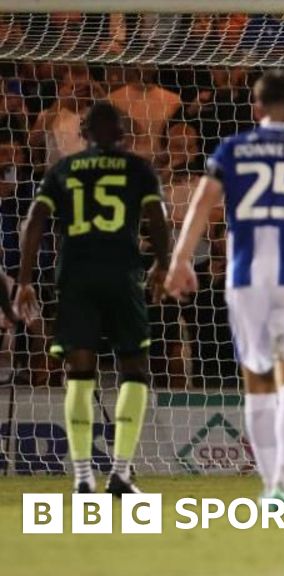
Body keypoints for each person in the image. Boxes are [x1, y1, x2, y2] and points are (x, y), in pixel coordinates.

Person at [163, 70, 284, 507]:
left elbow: (200, 205)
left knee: (256, 380)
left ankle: (269, 483)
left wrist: (179, 259)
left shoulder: (233, 149)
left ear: (255, 108)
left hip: (246, 277)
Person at [14, 102, 171, 495]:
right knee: (134, 369)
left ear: (82, 133)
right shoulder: (138, 169)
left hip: (77, 279)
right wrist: (164, 264)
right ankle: (120, 474)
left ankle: (83, 476)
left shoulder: (62, 170)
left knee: (79, 373)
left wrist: (25, 280)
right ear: (121, 134)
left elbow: (35, 221)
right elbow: (157, 219)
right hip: (123, 277)